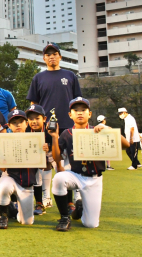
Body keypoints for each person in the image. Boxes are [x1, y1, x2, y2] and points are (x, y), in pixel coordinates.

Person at [26, 43, 82, 208]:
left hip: (67, 126)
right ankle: (44, 197)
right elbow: (34, 103)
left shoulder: (70, 76)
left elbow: (77, 101)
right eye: (48, 54)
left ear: (60, 56)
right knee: (45, 162)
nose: (51, 57)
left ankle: (72, 199)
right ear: (44, 58)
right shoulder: (38, 77)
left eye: (54, 54)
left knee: (67, 163)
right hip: (45, 127)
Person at [50, 97, 108, 231]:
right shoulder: (66, 133)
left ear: (90, 113)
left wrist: (107, 128)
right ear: (70, 115)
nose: (80, 113)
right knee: (59, 178)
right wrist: (54, 137)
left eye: (83, 110)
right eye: (76, 110)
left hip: (94, 179)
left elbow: (126, 144)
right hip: (75, 175)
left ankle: (78, 210)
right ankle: (65, 217)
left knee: (91, 224)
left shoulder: (98, 131)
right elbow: (57, 157)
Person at [0, 110, 49, 229]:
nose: (18, 125)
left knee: (27, 222)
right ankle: (2, 216)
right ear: (9, 126)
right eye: (14, 122)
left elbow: (44, 167)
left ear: (26, 123)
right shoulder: (4, 141)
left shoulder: (36, 140)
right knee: (4, 187)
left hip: (27, 183)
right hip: (10, 177)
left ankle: (12, 210)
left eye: (21, 122)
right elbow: (2, 168)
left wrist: (43, 152)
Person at [25, 104, 55, 216]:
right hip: (35, 154)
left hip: (52, 153)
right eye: (31, 119)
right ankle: (39, 202)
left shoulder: (50, 128)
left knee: (63, 172)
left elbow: (58, 147)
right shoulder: (26, 130)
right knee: (36, 173)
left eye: (37, 118)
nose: (34, 121)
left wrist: (50, 148)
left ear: (44, 118)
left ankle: (70, 202)